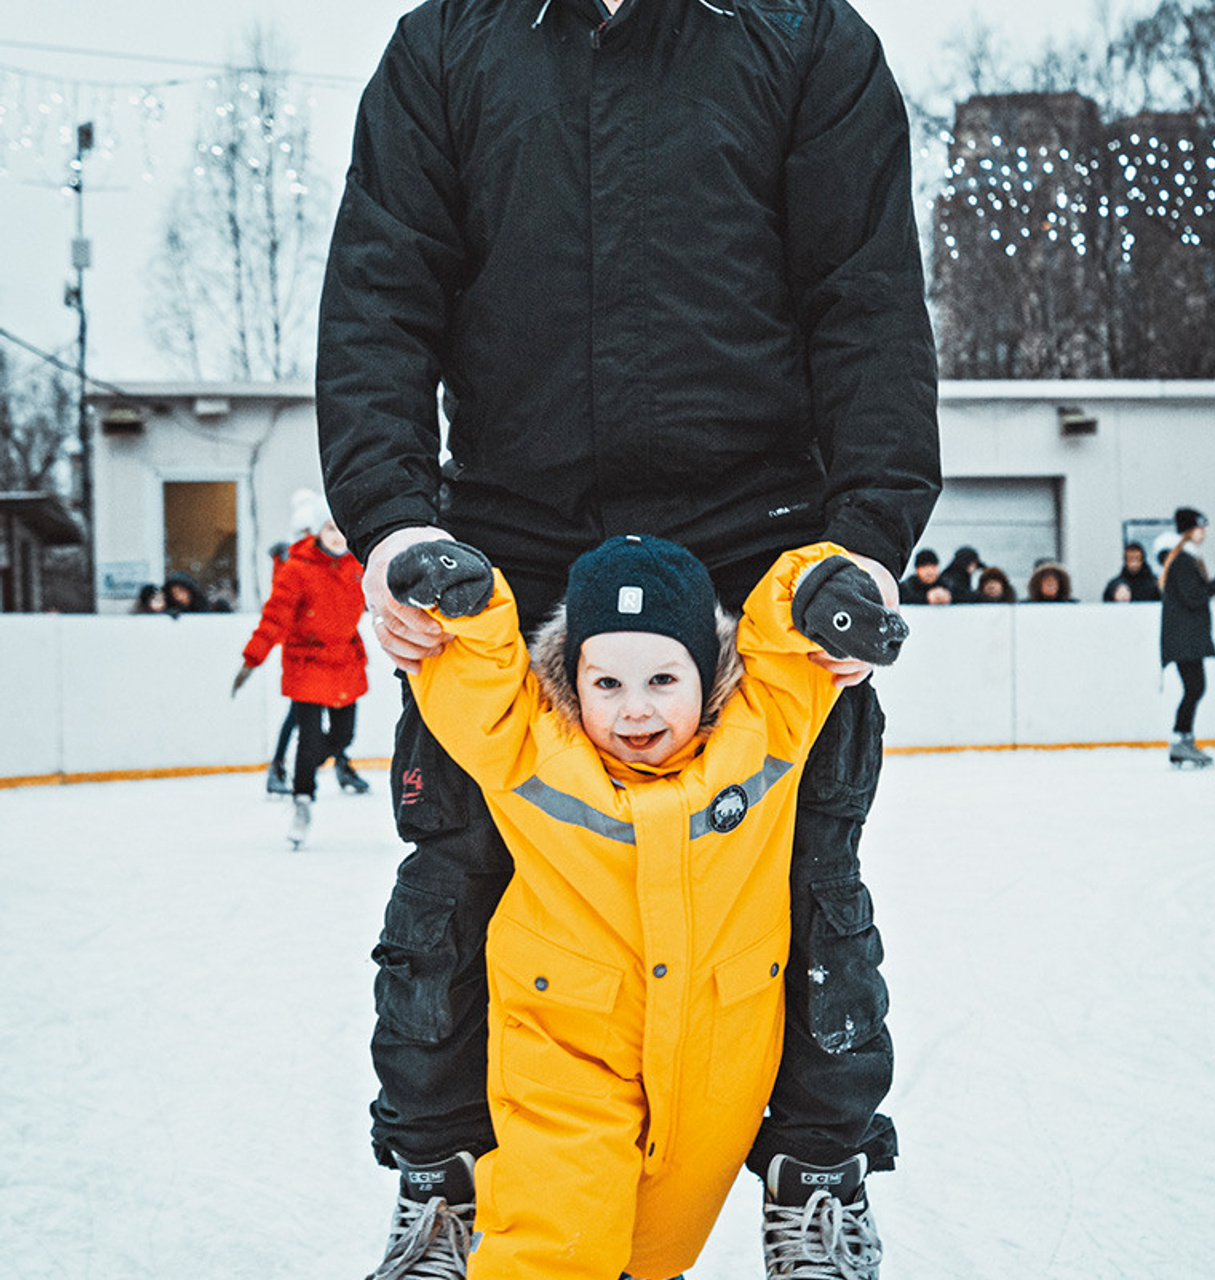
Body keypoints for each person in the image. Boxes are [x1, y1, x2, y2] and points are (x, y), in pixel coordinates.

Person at [316, 2, 940, 1276]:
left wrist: (864, 543)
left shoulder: (803, 35)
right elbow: (382, 293)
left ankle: (813, 1177)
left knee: (802, 873)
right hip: (509, 539)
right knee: (459, 876)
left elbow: (864, 299)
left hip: (755, 537)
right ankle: (446, 1182)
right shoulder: (449, 43)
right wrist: (392, 525)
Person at [384, 533, 906, 1280]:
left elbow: (786, 645)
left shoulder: (759, 743)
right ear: (573, 680)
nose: (634, 711)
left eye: (663, 679)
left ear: (709, 671)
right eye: (607, 685)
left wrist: (820, 591)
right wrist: (469, 604)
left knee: (655, 1251)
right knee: (556, 1238)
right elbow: (480, 682)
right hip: (566, 1046)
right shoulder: (537, 753)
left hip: (715, 1057)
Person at [231, 508, 371, 846]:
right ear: (317, 532)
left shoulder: (359, 568)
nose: (337, 536)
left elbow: (385, 602)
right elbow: (275, 617)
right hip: (307, 662)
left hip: (345, 662)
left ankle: (302, 772)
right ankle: (302, 802)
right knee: (308, 740)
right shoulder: (297, 569)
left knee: (342, 737)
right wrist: (252, 659)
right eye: (329, 528)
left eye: (341, 528)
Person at [1159, 507, 1215, 767]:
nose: (1203, 534)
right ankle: (1182, 742)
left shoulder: (1184, 559)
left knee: (1194, 688)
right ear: (1189, 530)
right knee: (1194, 688)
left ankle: (1183, 741)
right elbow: (1193, 596)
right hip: (1184, 638)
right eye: (1200, 528)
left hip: (1186, 637)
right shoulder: (1183, 561)